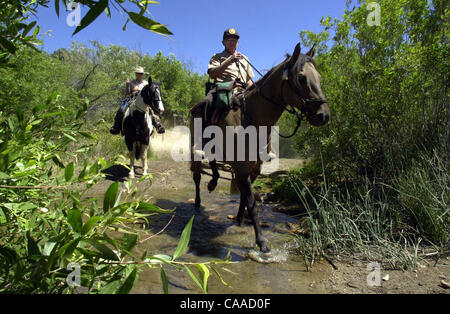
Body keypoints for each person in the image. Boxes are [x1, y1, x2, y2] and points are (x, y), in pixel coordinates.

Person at [110, 66, 165, 135]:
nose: (139, 75)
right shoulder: (132, 82)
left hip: (143, 100)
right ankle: (116, 127)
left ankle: (157, 125)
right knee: (121, 109)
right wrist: (127, 85)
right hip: (133, 98)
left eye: (141, 73)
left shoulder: (146, 83)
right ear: (136, 74)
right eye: (138, 73)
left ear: (143, 74)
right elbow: (127, 93)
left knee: (152, 110)